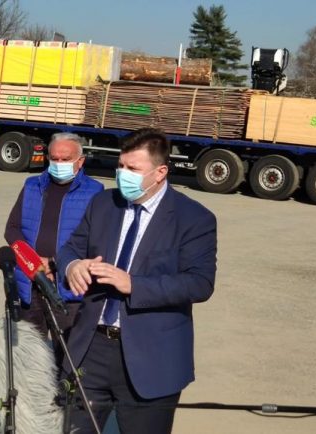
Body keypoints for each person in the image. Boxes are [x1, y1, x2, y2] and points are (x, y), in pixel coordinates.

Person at [57, 128, 217, 434]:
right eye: (120, 166)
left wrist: (134, 285)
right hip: (90, 349)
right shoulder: (104, 203)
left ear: (160, 172)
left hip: (151, 357)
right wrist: (73, 266)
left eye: (133, 168)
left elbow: (199, 283)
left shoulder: (194, 218)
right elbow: (71, 248)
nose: (122, 174)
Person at [4, 133, 103, 364]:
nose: (58, 164)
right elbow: (12, 229)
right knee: (27, 356)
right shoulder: (32, 186)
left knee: (68, 356)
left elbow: (94, 241)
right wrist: (33, 263)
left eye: (65, 159)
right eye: (54, 158)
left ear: (80, 161)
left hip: (68, 289)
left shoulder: (95, 192)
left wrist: (54, 263)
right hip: (29, 283)